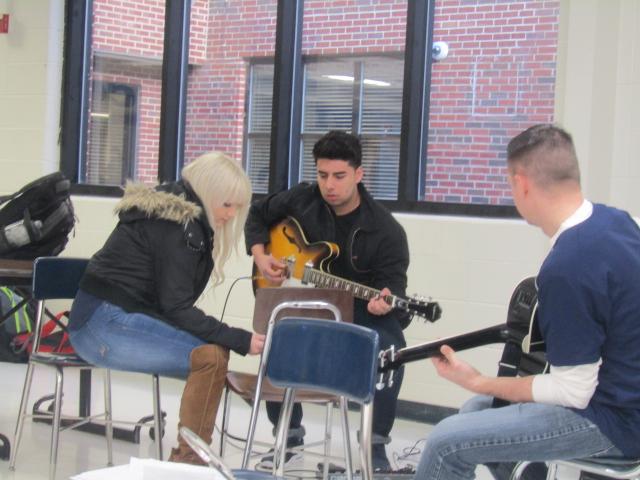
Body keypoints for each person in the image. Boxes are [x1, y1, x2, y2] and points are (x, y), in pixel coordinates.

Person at [415, 124, 640, 480]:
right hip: (620, 399)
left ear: (521, 184)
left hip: (614, 422)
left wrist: (479, 380)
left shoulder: (568, 266)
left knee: (446, 440)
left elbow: (572, 392)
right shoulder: (617, 221)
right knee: (475, 412)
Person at [68, 152, 265, 465]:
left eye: (236, 207)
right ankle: (189, 464)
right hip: (101, 324)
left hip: (103, 320)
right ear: (208, 190)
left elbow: (170, 304)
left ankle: (190, 459)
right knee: (211, 357)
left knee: (213, 355)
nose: (230, 214)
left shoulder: (179, 216)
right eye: (226, 204)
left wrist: (230, 339)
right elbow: (176, 307)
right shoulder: (177, 224)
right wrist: (239, 338)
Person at [244, 130, 410, 472]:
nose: (328, 185)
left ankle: (374, 446)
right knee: (278, 334)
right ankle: (288, 436)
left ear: (359, 174)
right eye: (322, 175)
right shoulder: (302, 198)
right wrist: (261, 257)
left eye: (339, 176)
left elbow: (394, 288)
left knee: (391, 347)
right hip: (305, 303)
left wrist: (387, 302)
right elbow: (258, 214)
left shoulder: (386, 230)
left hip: (359, 311)